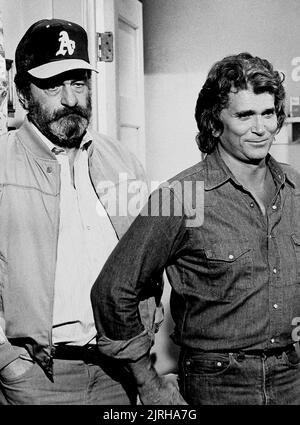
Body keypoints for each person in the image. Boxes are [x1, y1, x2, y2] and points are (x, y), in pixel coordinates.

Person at [91, 52, 300, 405]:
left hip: (291, 379)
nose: (261, 128)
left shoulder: (296, 187)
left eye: (268, 114)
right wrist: (147, 382)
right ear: (215, 121)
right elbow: (113, 292)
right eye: (245, 115)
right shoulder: (178, 196)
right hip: (217, 384)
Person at [0, 18, 159, 405]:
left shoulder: (122, 159)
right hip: (36, 377)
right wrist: (7, 361)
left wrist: (144, 337)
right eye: (53, 85)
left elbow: (150, 259)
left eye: (79, 82)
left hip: (117, 373)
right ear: (23, 94)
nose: (71, 99)